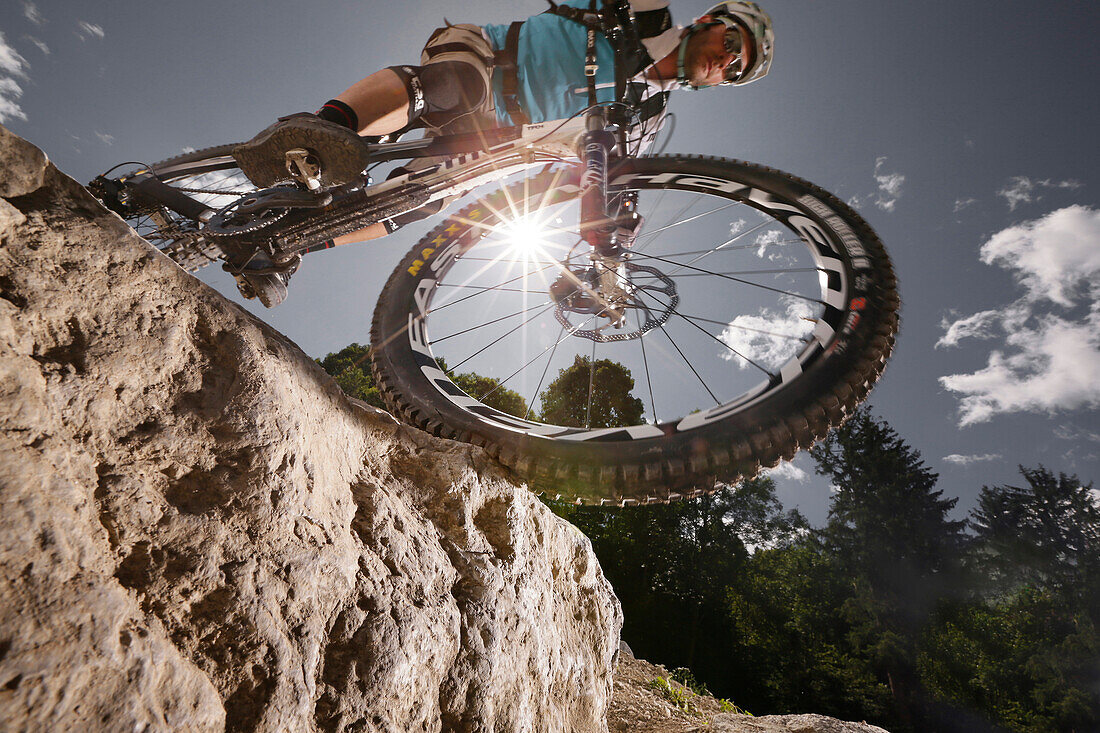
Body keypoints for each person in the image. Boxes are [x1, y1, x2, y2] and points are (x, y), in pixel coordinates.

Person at [231, 1, 774, 306]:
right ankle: (322, 130)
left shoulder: (642, 122)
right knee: (448, 84)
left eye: (736, 68)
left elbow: (612, 195)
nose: (724, 60)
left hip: (492, 143)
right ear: (710, 19)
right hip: (486, 62)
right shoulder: (645, 11)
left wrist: (604, 272)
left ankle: (288, 242)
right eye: (731, 42)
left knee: (414, 202)